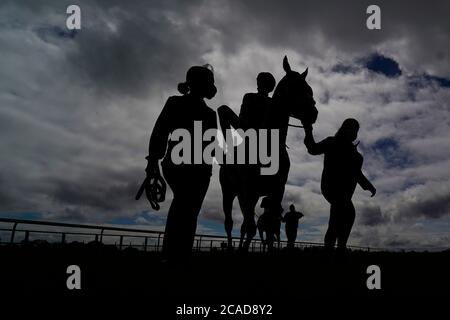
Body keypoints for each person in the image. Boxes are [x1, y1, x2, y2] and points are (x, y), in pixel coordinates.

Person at [146, 64, 217, 259]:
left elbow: (211, 146)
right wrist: (152, 160)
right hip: (188, 168)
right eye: (209, 81)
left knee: (187, 210)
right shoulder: (180, 105)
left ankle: (175, 255)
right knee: (186, 208)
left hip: (194, 169)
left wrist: (153, 160)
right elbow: (160, 132)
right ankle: (174, 256)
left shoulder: (207, 113)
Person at [303, 118, 376, 253]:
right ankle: (331, 249)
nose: (353, 133)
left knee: (347, 214)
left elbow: (357, 174)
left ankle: (340, 247)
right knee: (341, 214)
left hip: (345, 194)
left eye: (356, 130)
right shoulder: (331, 142)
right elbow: (312, 149)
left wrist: (368, 185)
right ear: (343, 129)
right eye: (350, 128)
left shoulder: (356, 156)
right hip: (332, 188)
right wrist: (308, 130)